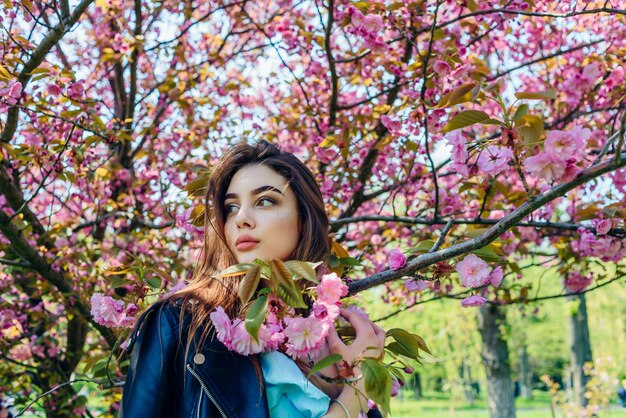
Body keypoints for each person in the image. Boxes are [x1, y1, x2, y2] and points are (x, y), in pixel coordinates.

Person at [120, 141, 386, 417]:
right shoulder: (178, 323)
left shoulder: (328, 338)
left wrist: (360, 370)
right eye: (231, 207)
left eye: (265, 201)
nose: (242, 219)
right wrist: (356, 392)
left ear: (304, 219)